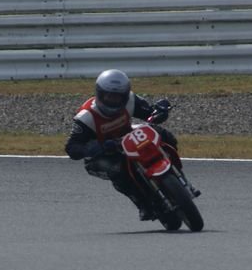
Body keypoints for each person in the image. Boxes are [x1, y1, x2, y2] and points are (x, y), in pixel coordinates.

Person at [65, 69, 176, 220]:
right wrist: (97, 147)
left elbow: (149, 113)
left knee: (164, 135)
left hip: (128, 137)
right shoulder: (86, 117)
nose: (113, 100)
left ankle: (173, 172)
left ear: (125, 95)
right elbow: (72, 147)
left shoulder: (131, 100)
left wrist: (160, 111)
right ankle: (142, 204)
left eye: (118, 97)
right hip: (103, 152)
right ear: (99, 94)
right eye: (109, 96)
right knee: (118, 170)